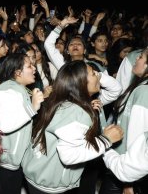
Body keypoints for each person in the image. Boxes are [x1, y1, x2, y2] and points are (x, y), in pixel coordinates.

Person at [22, 61, 124, 194]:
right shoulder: (77, 111)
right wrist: (106, 139)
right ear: (81, 82)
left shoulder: (62, 101)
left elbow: (116, 88)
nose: (99, 76)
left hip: (37, 172)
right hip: (49, 183)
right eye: (94, 74)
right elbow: (69, 156)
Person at [100, 47, 148, 194]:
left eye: (140, 57)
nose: (135, 59)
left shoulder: (144, 92)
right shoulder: (140, 86)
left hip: (125, 170)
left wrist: (128, 183)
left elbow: (137, 140)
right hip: (120, 165)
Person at [0, 53, 44, 194]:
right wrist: (32, 108)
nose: (34, 69)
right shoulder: (8, 90)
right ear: (17, 72)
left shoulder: (18, 89)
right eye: (29, 66)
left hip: (13, 163)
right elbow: (3, 124)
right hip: (6, 164)